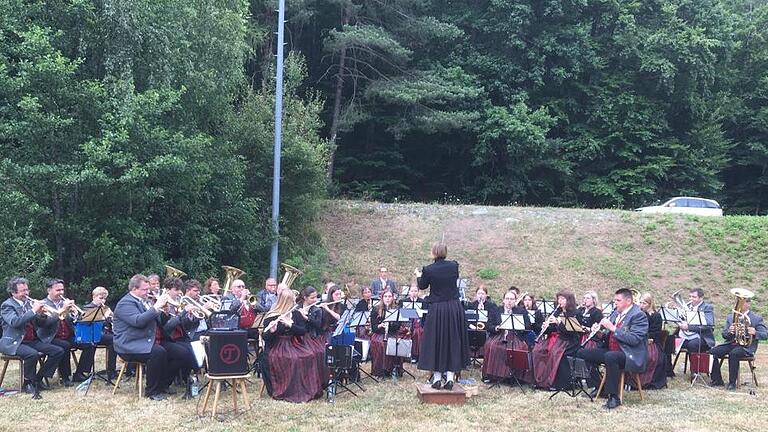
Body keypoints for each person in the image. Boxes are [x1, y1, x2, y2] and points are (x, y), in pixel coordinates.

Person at [577, 288, 649, 409]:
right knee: (582, 353)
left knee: (611, 356)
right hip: (613, 350)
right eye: (614, 300)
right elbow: (607, 335)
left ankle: (613, 397)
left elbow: (634, 339)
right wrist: (599, 333)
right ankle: (599, 385)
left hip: (629, 354)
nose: (615, 303)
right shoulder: (615, 313)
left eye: (618, 300)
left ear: (628, 301)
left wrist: (613, 328)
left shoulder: (639, 316)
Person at [0, 277, 65, 398]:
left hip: (31, 340)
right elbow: (15, 322)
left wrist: (41, 314)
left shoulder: (28, 304)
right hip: (15, 342)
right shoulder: (7, 305)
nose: (26, 293)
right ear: (13, 292)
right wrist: (33, 310)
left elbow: (42, 324)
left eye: (27, 290)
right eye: (22, 291)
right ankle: (28, 382)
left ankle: (38, 379)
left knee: (58, 351)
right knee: (32, 354)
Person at [416, 243, 469, 390]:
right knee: (452, 340)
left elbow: (422, 286)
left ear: (433, 252)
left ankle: (438, 379)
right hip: (453, 307)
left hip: (438, 308)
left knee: (436, 341)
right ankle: (450, 378)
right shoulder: (454, 266)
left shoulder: (428, 269)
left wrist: (418, 276)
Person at [112, 274, 172, 401]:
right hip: (128, 344)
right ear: (134, 289)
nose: (148, 292)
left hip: (144, 340)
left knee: (177, 351)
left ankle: (163, 386)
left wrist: (165, 312)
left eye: (148, 289)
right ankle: (152, 391)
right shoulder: (125, 303)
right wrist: (156, 307)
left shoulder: (145, 301)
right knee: (158, 352)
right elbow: (138, 321)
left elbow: (157, 321)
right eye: (144, 289)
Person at [261, 289, 322, 402]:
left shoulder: (295, 313)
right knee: (292, 359)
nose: (295, 304)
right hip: (277, 345)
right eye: (292, 302)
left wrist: (291, 325)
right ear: (285, 302)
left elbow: (302, 331)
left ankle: (304, 389)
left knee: (310, 355)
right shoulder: (272, 316)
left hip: (294, 343)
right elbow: (266, 338)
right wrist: (272, 331)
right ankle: (288, 390)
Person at [709, 295, 768, 390]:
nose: (738, 305)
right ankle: (717, 379)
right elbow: (724, 335)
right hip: (731, 343)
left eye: (742, 302)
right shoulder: (730, 317)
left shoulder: (756, 318)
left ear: (748, 304)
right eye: (737, 302)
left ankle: (732, 383)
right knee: (711, 352)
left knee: (734, 353)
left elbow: (765, 335)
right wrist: (729, 331)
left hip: (746, 347)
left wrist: (755, 332)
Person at [531, 290, 581, 390]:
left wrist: (558, 323)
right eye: (559, 298)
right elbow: (552, 330)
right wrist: (546, 327)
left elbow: (572, 331)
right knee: (537, 351)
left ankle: (555, 383)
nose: (560, 301)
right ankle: (540, 380)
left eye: (563, 299)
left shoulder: (575, 313)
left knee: (555, 353)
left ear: (569, 300)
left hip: (569, 341)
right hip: (556, 339)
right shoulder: (557, 311)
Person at [160, 277, 200, 399]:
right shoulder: (163, 303)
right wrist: (183, 313)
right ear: (167, 290)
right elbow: (167, 327)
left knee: (195, 349)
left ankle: (190, 380)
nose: (178, 293)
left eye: (179, 289)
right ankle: (166, 382)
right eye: (175, 290)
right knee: (184, 352)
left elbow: (186, 326)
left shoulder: (178, 302)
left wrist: (189, 316)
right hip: (166, 337)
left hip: (179, 336)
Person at [482, 290, 531, 384]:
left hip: (515, 336)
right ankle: (493, 375)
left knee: (519, 348)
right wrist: (496, 328)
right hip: (499, 335)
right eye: (507, 299)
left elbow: (527, 326)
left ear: (515, 300)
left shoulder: (521, 311)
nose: (509, 301)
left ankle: (513, 376)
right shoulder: (496, 310)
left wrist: (519, 327)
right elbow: (489, 325)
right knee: (492, 346)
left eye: (512, 299)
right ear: (503, 300)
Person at [665, 288, 715, 377]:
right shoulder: (687, 306)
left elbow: (709, 325)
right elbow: (680, 319)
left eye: (694, 297)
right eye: (690, 296)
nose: (691, 299)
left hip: (700, 337)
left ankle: (694, 371)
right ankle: (668, 371)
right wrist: (677, 319)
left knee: (692, 345)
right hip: (684, 336)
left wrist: (689, 327)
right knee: (668, 341)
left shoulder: (707, 307)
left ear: (701, 298)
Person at [39, 278, 79, 386]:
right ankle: (65, 377)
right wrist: (62, 310)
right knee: (65, 346)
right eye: (58, 290)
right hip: (50, 337)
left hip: (67, 334)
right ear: (49, 290)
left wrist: (74, 314)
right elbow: (46, 323)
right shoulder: (43, 304)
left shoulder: (64, 303)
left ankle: (80, 373)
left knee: (88, 342)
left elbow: (73, 321)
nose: (61, 292)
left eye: (62, 290)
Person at [75, 286, 118, 381]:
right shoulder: (87, 308)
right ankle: (81, 372)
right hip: (88, 334)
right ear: (94, 297)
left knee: (114, 339)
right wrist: (103, 317)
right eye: (100, 298)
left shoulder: (105, 308)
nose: (103, 301)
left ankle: (111, 370)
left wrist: (111, 318)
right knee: (90, 342)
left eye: (105, 298)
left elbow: (109, 324)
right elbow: (84, 323)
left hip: (101, 334)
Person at [369, 290, 402, 377]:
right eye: (385, 296)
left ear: (393, 298)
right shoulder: (375, 309)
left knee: (394, 343)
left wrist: (391, 323)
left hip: (392, 333)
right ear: (382, 298)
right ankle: (379, 370)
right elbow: (374, 328)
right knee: (381, 344)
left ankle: (391, 369)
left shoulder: (396, 309)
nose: (387, 299)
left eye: (389, 296)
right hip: (379, 334)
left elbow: (397, 327)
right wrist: (380, 325)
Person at [638, 293, 666, 389]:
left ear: (650, 304)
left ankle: (646, 381)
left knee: (650, 356)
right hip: (639, 340)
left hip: (652, 341)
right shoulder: (638, 314)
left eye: (644, 303)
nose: (641, 305)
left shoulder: (656, 316)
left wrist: (645, 338)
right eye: (640, 303)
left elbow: (656, 333)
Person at [399, 284, 424, 362]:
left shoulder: (422, 302)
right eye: (412, 291)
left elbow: (425, 315)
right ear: (409, 292)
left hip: (418, 323)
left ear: (418, 292)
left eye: (415, 291)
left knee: (417, 332)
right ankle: (404, 355)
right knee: (405, 331)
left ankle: (415, 355)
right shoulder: (403, 301)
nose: (414, 293)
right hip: (406, 322)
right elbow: (401, 314)